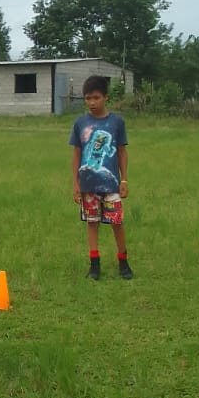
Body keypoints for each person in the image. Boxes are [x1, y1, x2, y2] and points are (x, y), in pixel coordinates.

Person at [70, 75, 133, 280]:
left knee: (117, 223)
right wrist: (76, 184)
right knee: (92, 222)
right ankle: (94, 264)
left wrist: (124, 180)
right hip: (88, 185)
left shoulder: (116, 122)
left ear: (106, 97)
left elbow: (122, 152)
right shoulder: (80, 123)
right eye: (88, 98)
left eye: (96, 98)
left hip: (111, 185)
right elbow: (76, 154)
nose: (92, 102)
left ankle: (123, 262)